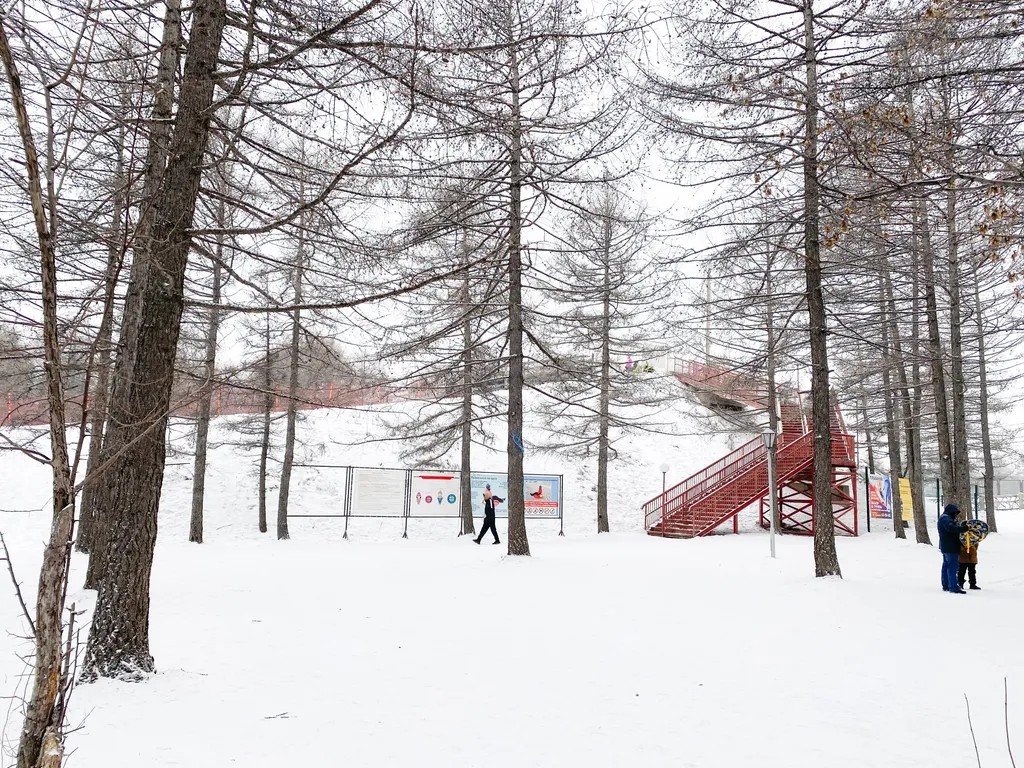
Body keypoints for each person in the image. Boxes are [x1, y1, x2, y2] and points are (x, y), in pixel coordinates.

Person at [937, 503, 969, 594]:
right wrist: (964, 528)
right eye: (955, 513)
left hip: (946, 546)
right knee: (952, 567)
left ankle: (946, 585)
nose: (956, 515)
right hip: (951, 547)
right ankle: (953, 587)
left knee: (946, 566)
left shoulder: (943, 518)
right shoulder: (946, 519)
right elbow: (951, 528)